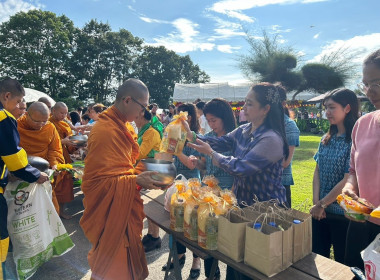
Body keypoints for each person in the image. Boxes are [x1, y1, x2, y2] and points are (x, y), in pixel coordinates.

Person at [184, 83, 289, 280]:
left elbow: (241, 168)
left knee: (257, 267)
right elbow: (220, 141)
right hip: (243, 206)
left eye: (250, 104)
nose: (244, 108)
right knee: (237, 262)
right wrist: (190, 135)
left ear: (266, 109)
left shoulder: (271, 139)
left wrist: (211, 153)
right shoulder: (245, 130)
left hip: (265, 211)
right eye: (245, 103)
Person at [79, 78, 166, 280]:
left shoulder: (122, 126)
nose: (143, 113)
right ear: (127, 100)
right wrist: (135, 181)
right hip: (110, 209)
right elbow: (98, 183)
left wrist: (149, 175)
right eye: (143, 106)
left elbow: (125, 166)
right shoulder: (105, 131)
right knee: (113, 267)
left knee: (124, 263)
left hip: (123, 204)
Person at [0, 79, 49, 278]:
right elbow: (15, 159)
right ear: (7, 96)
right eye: (19, 101)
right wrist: (36, 175)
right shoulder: (3, 117)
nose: (20, 106)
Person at [309, 88, 359, 264]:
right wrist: (317, 203)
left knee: (342, 263)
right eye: (325, 108)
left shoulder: (355, 140)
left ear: (347, 108)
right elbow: (317, 171)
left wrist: (323, 203)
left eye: (331, 107)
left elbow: (348, 178)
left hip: (342, 214)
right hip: (320, 213)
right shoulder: (326, 138)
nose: (327, 112)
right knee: (317, 260)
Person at [342, 49, 380, 270]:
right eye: (366, 84)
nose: (370, 92)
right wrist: (349, 189)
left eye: (377, 83)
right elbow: (353, 170)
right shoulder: (362, 124)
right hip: (361, 225)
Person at [193, 98, 236, 280]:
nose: (211, 125)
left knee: (229, 244)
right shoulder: (209, 136)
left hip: (228, 195)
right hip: (208, 195)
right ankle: (212, 275)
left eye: (214, 121)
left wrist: (232, 195)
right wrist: (198, 163)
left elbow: (240, 172)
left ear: (225, 117)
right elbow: (205, 166)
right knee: (207, 236)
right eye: (208, 121)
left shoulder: (236, 138)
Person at [162, 102, 201, 279]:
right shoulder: (175, 133)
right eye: (175, 116)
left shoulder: (197, 138)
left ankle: (196, 261)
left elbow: (192, 164)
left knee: (192, 224)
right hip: (176, 183)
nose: (175, 119)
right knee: (176, 223)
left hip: (192, 185)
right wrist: (168, 142)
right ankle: (178, 255)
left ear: (189, 118)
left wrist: (176, 149)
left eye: (179, 116)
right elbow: (168, 157)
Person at [17, 102, 65, 214]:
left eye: (44, 121)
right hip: (22, 172)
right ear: (27, 114)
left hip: (44, 173)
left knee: (49, 209)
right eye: (37, 121)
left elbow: (55, 149)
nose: (41, 124)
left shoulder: (49, 127)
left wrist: (54, 164)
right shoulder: (17, 126)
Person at [135, 110, 164, 252]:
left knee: (151, 204)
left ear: (142, 116)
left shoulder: (151, 132)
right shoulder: (143, 131)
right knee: (146, 203)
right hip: (145, 167)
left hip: (152, 169)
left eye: (136, 117)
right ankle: (151, 234)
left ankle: (155, 237)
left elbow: (141, 152)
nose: (134, 120)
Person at [49, 102, 78, 219]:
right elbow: (48, 143)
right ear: (53, 111)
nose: (63, 115)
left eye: (65, 113)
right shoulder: (48, 124)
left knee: (65, 187)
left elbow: (69, 144)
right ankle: (53, 213)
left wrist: (75, 145)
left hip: (65, 160)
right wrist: (62, 142)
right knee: (54, 188)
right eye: (61, 112)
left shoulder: (65, 125)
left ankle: (61, 211)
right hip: (53, 160)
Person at [279, 89, 300, 208]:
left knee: (281, 224)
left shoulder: (289, 125)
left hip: (280, 185)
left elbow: (285, 162)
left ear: (282, 104)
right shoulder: (263, 124)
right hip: (262, 185)